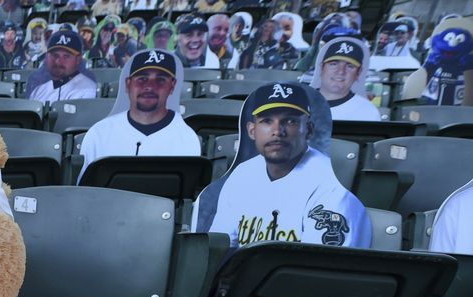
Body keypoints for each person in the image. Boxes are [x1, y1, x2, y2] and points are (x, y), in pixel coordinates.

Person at [203, 83, 370, 248]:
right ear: (252, 130)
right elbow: (220, 248)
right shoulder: (242, 174)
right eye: (266, 121)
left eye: (290, 121)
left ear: (309, 129)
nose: (277, 131)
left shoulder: (332, 190)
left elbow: (319, 270)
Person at [78, 50, 200, 179]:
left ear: (172, 85)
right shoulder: (99, 133)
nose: (149, 86)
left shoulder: (187, 138)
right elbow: (85, 194)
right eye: (142, 78)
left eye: (160, 80)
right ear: (128, 84)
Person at [311, 38, 379, 122]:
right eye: (334, 64)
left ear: (358, 73)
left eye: (350, 66)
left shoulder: (368, 111)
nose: (340, 71)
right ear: (321, 67)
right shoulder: (299, 102)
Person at [27, 30, 95, 101]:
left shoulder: (87, 90)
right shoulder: (38, 91)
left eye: (66, 56)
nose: (58, 61)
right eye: (55, 55)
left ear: (78, 59)